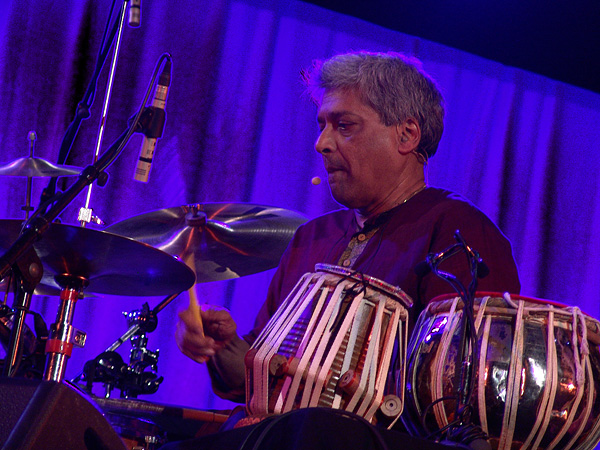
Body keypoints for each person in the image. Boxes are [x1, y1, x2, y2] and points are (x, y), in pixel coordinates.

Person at [175, 50, 520, 423]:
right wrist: (222, 346)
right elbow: (262, 381)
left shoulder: (458, 231)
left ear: (406, 134)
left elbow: (471, 387)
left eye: (344, 126)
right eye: (322, 124)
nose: (321, 143)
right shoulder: (313, 238)